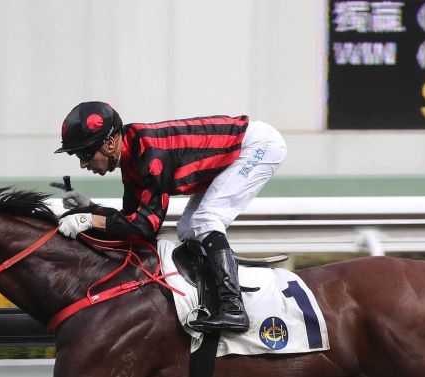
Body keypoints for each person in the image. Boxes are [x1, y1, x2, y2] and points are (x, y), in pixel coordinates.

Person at [54, 101, 286, 332]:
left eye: (85, 153)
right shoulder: (133, 156)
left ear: (110, 143)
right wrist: (90, 208)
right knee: (188, 229)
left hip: (257, 147)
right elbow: (131, 221)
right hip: (232, 153)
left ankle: (234, 308)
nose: (83, 164)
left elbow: (146, 226)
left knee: (206, 220)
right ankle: (213, 297)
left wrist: (88, 220)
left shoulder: (151, 155)